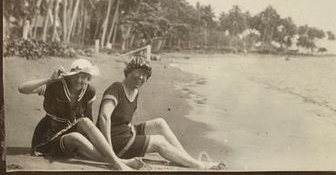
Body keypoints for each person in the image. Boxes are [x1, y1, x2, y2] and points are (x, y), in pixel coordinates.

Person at [97, 56, 226, 170]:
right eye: (138, 72)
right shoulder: (117, 88)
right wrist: (110, 152)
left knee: (160, 123)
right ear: (129, 71)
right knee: (158, 141)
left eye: (145, 75)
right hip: (114, 143)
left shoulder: (135, 91)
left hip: (124, 134)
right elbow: (104, 118)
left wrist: (130, 129)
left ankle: (185, 158)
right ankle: (198, 166)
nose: (141, 77)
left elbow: (123, 119)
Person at [18, 58, 143, 170]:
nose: (79, 80)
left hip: (69, 133)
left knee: (84, 123)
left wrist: (94, 141)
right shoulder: (56, 86)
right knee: (75, 137)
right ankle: (119, 162)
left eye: (83, 77)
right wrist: (49, 79)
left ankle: (116, 161)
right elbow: (22, 88)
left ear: (89, 78)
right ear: (70, 75)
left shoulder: (89, 91)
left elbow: (88, 118)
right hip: (47, 138)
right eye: (76, 75)